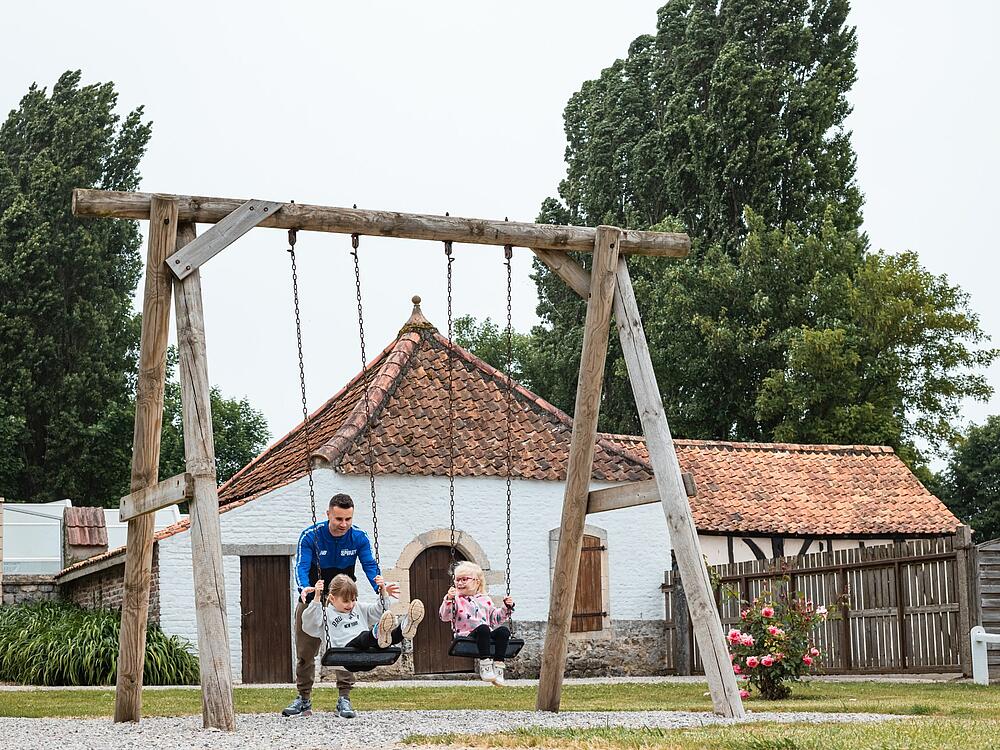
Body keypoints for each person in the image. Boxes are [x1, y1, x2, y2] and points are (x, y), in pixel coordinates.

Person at [283, 493, 387, 719]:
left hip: (343, 601)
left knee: (348, 648)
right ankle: (303, 698)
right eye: (338, 519)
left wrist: (379, 586)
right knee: (305, 653)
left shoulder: (358, 537)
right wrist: (305, 588)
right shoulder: (310, 536)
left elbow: (369, 564)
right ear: (328, 514)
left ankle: (344, 698)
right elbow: (301, 566)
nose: (344, 524)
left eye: (348, 519)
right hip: (314, 600)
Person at [438, 560, 515, 686]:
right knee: (483, 628)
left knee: (503, 631)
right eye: (457, 580)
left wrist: (506, 607)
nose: (460, 583)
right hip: (467, 636)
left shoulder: (485, 599)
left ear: (477, 582)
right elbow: (445, 616)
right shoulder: (456, 600)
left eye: (464, 579)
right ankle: (485, 666)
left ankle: (498, 666)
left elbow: (495, 619)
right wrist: (448, 600)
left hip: (485, 635)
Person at [302, 575, 425, 652]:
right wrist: (317, 597)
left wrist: (383, 592)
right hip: (346, 653)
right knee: (363, 637)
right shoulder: (326, 613)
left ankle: (405, 626)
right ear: (332, 598)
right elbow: (310, 625)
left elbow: (378, 611)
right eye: (345, 601)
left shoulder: (358, 608)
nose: (350, 605)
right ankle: (377, 632)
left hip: (368, 651)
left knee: (387, 641)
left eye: (353, 600)